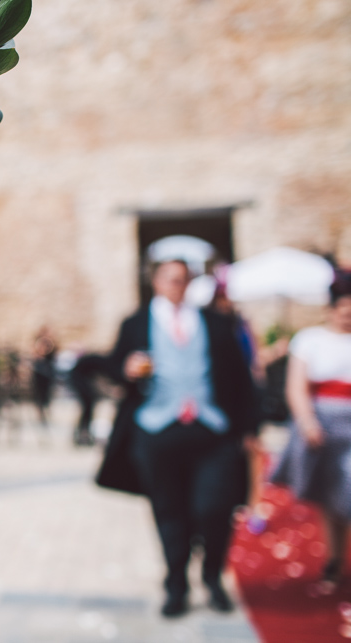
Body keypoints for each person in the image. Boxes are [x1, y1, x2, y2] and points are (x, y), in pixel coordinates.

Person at [97, 259, 258, 617]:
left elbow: (240, 376)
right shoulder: (135, 323)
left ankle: (213, 577)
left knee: (214, 509)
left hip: (211, 430)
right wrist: (126, 369)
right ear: (155, 281)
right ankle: (176, 585)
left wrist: (249, 428)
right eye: (170, 279)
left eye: (183, 279)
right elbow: (114, 366)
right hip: (157, 432)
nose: (177, 285)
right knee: (170, 513)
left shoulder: (214, 323)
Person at [271, 270, 351, 583]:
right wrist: (307, 422)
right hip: (323, 424)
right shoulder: (310, 340)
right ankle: (334, 557)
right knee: (331, 495)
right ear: (330, 310)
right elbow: (296, 386)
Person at [69, 352, 106, 446]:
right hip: (81, 387)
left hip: (83, 388)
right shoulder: (100, 363)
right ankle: (82, 436)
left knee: (87, 411)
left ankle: (84, 435)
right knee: (86, 411)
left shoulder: (95, 361)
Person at [31, 326, 57, 428]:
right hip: (39, 373)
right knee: (39, 394)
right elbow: (35, 356)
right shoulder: (37, 343)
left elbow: (53, 356)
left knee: (47, 393)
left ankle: (46, 411)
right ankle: (41, 414)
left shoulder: (52, 344)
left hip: (48, 372)